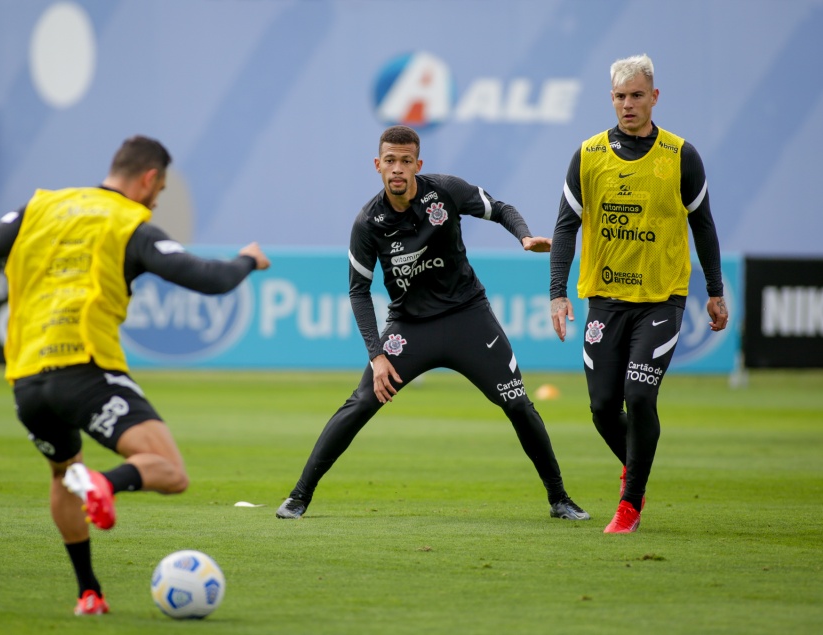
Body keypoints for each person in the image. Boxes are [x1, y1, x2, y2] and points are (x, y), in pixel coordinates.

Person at [0, 135, 271, 614]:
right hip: (86, 369)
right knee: (170, 471)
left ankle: (89, 593)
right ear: (149, 180)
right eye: (158, 194)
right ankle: (105, 484)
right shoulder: (131, 224)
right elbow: (208, 279)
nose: (154, 202)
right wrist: (248, 260)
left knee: (62, 473)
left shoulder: (39, 208)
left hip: (27, 381)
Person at [275, 125, 589, 522]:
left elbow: (502, 208)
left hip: (468, 319)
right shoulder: (367, 223)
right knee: (361, 404)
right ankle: (299, 496)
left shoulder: (444, 191)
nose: (398, 169)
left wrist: (524, 237)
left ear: (418, 165)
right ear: (377, 165)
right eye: (390, 160)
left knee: (518, 404)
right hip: (410, 328)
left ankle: (559, 499)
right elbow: (358, 292)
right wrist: (377, 356)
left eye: (406, 161)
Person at [549, 54, 728, 534]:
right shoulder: (588, 155)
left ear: (654, 96)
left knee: (639, 395)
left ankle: (629, 504)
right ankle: (638, 466)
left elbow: (703, 224)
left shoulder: (680, 156)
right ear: (611, 99)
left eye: (636, 95)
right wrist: (557, 292)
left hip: (661, 301)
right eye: (620, 97)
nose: (628, 105)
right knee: (603, 407)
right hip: (604, 301)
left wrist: (715, 290)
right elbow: (566, 228)